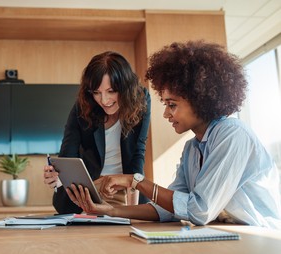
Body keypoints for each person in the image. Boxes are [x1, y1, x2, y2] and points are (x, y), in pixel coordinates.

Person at [66, 40, 281, 229]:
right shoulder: (192, 149)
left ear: (200, 100)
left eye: (172, 105)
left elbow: (199, 210)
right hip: (228, 231)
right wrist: (109, 211)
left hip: (260, 233)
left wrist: (135, 181)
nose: (166, 113)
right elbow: (168, 209)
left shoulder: (232, 135)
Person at [44, 51, 151, 214]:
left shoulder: (141, 99)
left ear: (126, 87)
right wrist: (58, 177)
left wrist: (133, 205)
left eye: (111, 91)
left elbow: (138, 152)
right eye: (96, 92)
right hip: (89, 189)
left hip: (126, 188)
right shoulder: (83, 106)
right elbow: (68, 154)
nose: (104, 100)